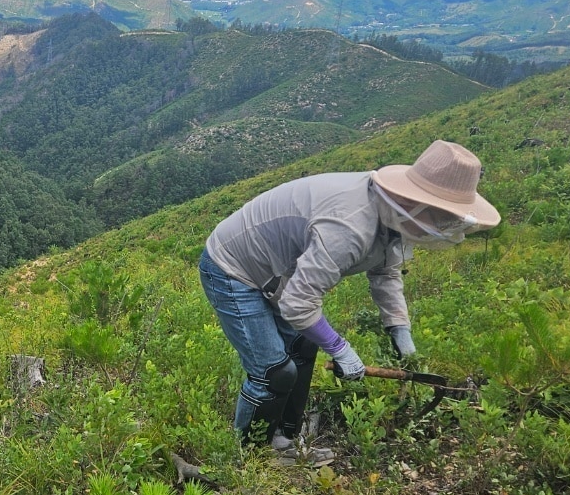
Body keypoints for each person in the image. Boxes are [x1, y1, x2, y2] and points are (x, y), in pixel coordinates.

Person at [199, 139, 499, 461]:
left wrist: (400, 331)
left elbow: (386, 273)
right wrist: (340, 348)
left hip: (279, 272)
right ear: (419, 204)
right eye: (441, 216)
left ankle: (284, 442)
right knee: (274, 372)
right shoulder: (349, 227)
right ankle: (250, 457)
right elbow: (299, 304)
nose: (441, 225)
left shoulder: (393, 216)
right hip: (234, 268)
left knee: (302, 348)